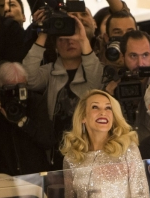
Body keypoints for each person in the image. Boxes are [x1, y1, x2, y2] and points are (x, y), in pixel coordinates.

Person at [23, 15, 103, 169]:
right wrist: (44, 33)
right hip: (56, 152)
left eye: (74, 38)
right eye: (62, 39)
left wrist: (84, 38)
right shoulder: (50, 71)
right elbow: (28, 78)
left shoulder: (93, 70)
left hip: (88, 150)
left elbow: (96, 83)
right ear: (55, 47)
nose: (69, 42)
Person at [0, 62, 51, 175]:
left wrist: (23, 121)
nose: (16, 95)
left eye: (21, 89)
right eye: (10, 90)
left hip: (35, 175)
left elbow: (47, 141)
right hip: (3, 177)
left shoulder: (35, 102)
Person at [104, 30, 150, 141]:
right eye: (133, 56)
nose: (140, 63)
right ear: (123, 56)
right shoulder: (112, 85)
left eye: (145, 55)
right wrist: (107, 98)